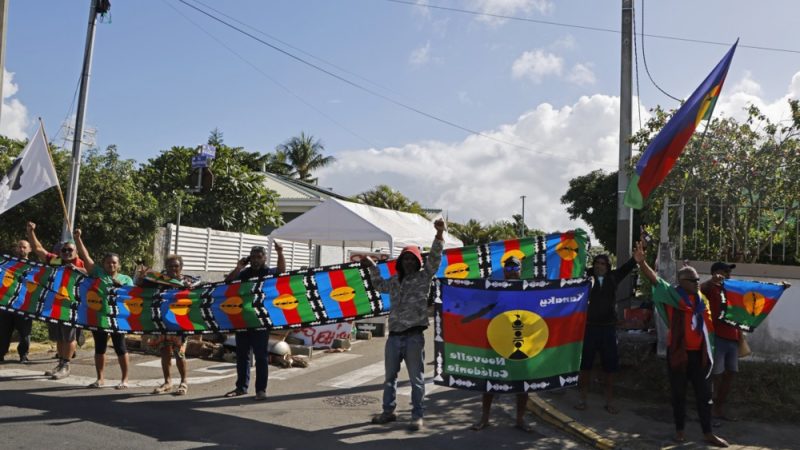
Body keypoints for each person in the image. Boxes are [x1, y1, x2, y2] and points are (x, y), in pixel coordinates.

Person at [638, 241, 729, 447]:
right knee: (678, 393)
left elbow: (704, 290)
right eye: (692, 280)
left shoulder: (700, 300)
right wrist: (642, 264)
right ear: (681, 281)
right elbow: (656, 281)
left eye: (698, 279)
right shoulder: (673, 296)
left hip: (700, 355)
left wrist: (711, 280)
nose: (697, 282)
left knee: (705, 395)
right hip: (679, 353)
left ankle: (708, 433)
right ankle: (680, 431)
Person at [363, 218, 445, 432]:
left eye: (412, 259)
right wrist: (372, 267)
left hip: (414, 337)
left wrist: (438, 235)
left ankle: (417, 415)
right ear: (400, 262)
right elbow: (379, 285)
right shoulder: (393, 281)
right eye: (405, 259)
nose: (408, 262)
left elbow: (435, 260)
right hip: (394, 336)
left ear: (417, 262)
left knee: (416, 380)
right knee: (389, 378)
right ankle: (388, 412)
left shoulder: (424, 277)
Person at [471, 255, 531, 432]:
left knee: (523, 383)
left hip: (520, 343)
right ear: (504, 271)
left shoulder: (529, 290)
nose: (512, 272)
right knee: (490, 381)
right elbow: (480, 306)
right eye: (509, 268)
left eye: (515, 268)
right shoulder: (494, 289)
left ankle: (520, 419)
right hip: (496, 342)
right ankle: (485, 418)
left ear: (520, 271)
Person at [575, 250, 639, 414]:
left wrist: (637, 256)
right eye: (597, 263)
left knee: (610, 368)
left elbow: (627, 267)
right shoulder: (586, 278)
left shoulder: (613, 277)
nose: (599, 266)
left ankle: (609, 401)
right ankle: (582, 399)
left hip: (608, 329)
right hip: (589, 328)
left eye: (603, 263)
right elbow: (574, 265)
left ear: (608, 267)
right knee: (585, 366)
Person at [223, 242, 285, 400]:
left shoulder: (267, 272)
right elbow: (228, 282)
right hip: (243, 320)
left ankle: (261, 390)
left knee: (261, 356)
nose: (256, 260)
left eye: (259, 257)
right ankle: (241, 387)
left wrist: (280, 252)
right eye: (253, 257)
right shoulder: (245, 273)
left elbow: (281, 271)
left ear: (264, 258)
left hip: (260, 321)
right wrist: (238, 267)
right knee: (242, 355)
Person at [74, 229, 133, 390]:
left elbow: (133, 298)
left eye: (114, 262)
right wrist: (78, 238)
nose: (111, 264)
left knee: (120, 347)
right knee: (100, 348)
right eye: (108, 262)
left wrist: (122, 288)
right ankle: (100, 379)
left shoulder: (126, 279)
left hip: (118, 319)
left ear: (118, 264)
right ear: (104, 264)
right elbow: (85, 257)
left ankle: (124, 379)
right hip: (99, 317)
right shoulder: (98, 273)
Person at [26, 221, 85, 380]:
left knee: (69, 336)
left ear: (76, 252)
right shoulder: (56, 261)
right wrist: (31, 232)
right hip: (54, 306)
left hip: (71, 306)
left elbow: (92, 275)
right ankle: (60, 362)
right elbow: (38, 250)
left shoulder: (79, 263)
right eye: (63, 250)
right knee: (59, 336)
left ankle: (66, 364)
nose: (66, 252)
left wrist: (77, 269)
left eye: (69, 250)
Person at [137, 254, 199, 396]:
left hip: (179, 323)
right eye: (170, 266)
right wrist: (141, 277)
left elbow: (199, 292)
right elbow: (139, 287)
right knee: (164, 352)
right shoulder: (158, 280)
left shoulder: (188, 281)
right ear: (166, 267)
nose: (173, 268)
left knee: (179, 353)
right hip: (161, 322)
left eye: (176, 266)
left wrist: (190, 289)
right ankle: (167, 382)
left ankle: (183, 382)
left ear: (181, 267)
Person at [701, 262, 739, 423]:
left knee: (730, 374)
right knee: (714, 376)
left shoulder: (731, 288)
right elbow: (698, 292)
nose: (729, 274)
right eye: (725, 271)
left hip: (733, 337)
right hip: (717, 338)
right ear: (716, 272)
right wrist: (711, 281)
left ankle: (718, 409)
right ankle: (708, 413)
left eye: (729, 271)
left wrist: (779, 288)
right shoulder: (711, 288)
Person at [0, 240, 34, 363]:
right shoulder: (8, 264)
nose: (21, 249)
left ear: (30, 249)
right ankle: (1, 354)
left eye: (24, 247)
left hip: (24, 306)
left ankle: (23, 355)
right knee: (3, 332)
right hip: (6, 305)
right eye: (19, 247)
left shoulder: (35, 267)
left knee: (25, 334)